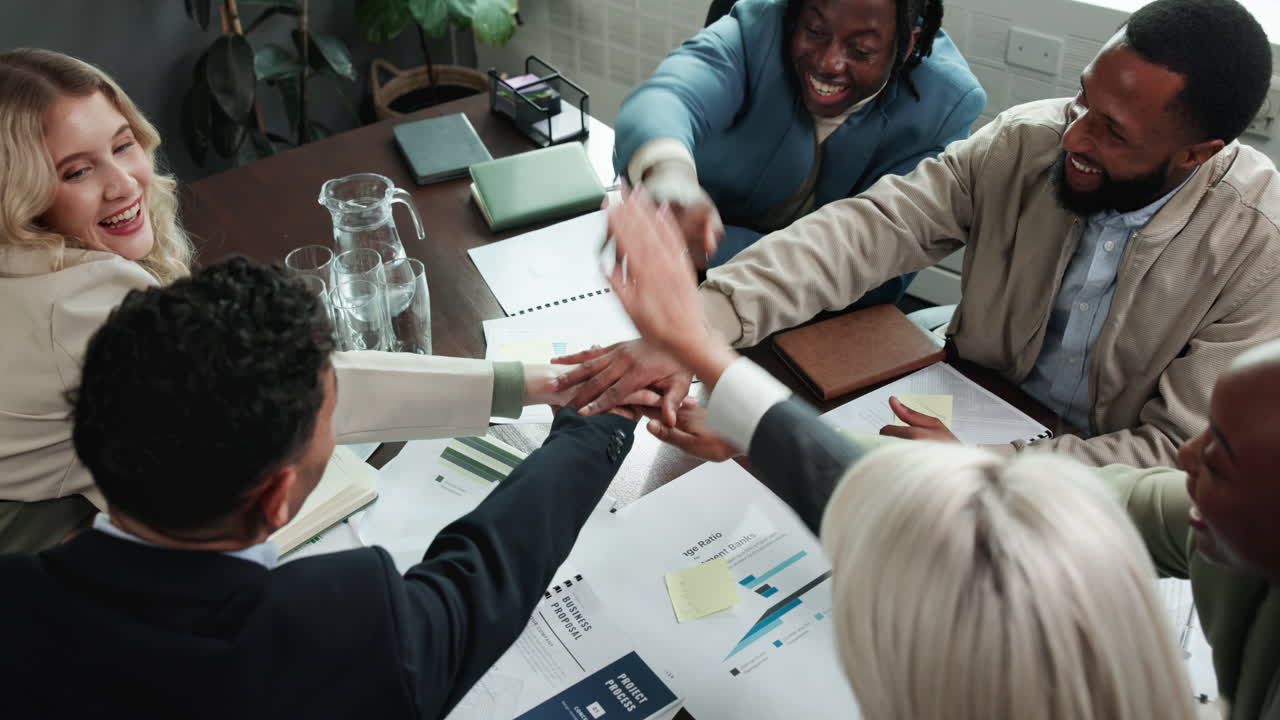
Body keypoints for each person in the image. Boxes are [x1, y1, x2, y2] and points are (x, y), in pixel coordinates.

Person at [607, 185, 1280, 720]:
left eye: (1217, 456)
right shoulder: (1200, 507)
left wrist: (704, 352)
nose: (1183, 458)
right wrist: (748, 427)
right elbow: (979, 512)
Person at [558, 0, 1280, 470]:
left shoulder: (1258, 248)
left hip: (1086, 487)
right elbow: (872, 229)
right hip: (959, 399)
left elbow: (1172, 458)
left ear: (1198, 153)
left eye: (1111, 132)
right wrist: (699, 323)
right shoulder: (1025, 140)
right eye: (1082, 99)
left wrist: (986, 465)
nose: (1074, 136)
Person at [0, 48, 620, 552]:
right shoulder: (85, 306)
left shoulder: (35, 264)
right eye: (76, 171)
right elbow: (302, 390)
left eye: (122, 144)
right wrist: (532, 383)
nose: (122, 183)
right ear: (19, 194)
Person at [0, 258, 639, 719]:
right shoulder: (341, 626)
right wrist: (598, 425)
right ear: (278, 495)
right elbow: (486, 576)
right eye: (329, 425)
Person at [614, 0, 984, 315]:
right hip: (675, 285)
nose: (828, 62)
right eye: (814, 30)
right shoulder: (761, 25)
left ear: (907, 45)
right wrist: (670, 171)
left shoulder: (945, 105)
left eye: (861, 50)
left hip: (806, 321)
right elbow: (666, 98)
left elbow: (878, 273)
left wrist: (698, 245)